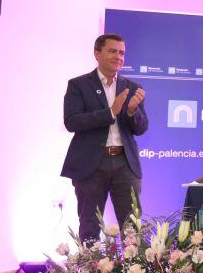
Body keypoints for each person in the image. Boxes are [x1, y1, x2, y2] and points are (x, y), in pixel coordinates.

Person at [61, 34, 148, 244]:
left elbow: (142, 128)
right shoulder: (78, 85)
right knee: (89, 224)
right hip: (91, 164)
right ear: (97, 53)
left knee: (131, 227)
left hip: (125, 164)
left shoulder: (132, 87)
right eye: (112, 51)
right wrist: (110, 113)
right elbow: (71, 121)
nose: (118, 56)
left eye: (121, 53)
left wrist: (132, 111)